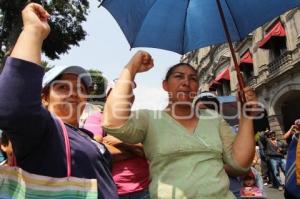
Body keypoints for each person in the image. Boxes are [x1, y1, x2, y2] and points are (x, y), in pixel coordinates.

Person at [0, 3, 118, 198]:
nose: (74, 93)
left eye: (80, 88)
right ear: (43, 98)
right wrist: (33, 32)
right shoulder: (44, 130)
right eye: (62, 87)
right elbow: (13, 107)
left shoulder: (85, 136)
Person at [103, 52, 258, 198]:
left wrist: (246, 116)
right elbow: (113, 121)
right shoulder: (149, 119)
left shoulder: (214, 119)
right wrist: (132, 67)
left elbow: (240, 163)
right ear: (165, 85)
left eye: (193, 79)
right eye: (179, 77)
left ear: (197, 87)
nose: (186, 82)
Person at [83, 81, 150, 198]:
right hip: (111, 191)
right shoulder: (96, 119)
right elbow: (96, 152)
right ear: (107, 98)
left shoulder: (141, 120)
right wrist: (137, 148)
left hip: (143, 189)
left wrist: (121, 142)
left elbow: (152, 151)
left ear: (132, 99)